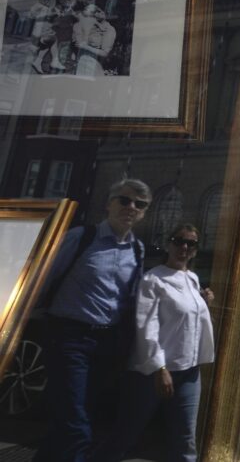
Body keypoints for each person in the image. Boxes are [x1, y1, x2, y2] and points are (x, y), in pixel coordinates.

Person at [35, 178, 150, 462]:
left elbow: (132, 298)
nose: (131, 207)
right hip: (69, 338)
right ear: (108, 203)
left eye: (140, 204)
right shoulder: (81, 237)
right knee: (77, 427)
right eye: (124, 200)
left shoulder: (138, 250)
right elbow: (42, 279)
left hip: (106, 343)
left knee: (75, 415)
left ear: (144, 213)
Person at [93, 224, 215, 462]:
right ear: (169, 243)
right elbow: (147, 327)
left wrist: (204, 303)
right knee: (126, 434)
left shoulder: (192, 278)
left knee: (185, 439)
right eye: (179, 241)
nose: (184, 247)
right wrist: (160, 367)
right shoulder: (153, 279)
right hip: (152, 373)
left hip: (189, 371)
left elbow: (188, 319)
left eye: (191, 243)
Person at [74, 3, 117, 76]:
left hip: (95, 64)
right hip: (82, 62)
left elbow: (104, 53)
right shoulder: (88, 27)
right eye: (95, 12)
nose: (100, 12)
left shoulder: (109, 29)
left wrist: (85, 47)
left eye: (100, 10)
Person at [28, 0, 56, 74]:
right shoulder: (39, 6)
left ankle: (37, 62)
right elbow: (32, 14)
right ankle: (37, 61)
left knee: (44, 47)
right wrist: (54, 13)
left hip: (44, 31)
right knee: (49, 43)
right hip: (40, 32)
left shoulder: (45, 7)